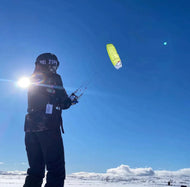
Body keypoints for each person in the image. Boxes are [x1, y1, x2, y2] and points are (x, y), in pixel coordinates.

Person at [23, 53, 78, 187]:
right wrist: (69, 101)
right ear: (49, 64)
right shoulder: (54, 78)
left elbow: (49, 98)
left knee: (35, 171)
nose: (55, 68)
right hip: (48, 128)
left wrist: (66, 102)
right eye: (53, 65)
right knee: (56, 170)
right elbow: (62, 101)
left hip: (30, 129)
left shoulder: (32, 78)